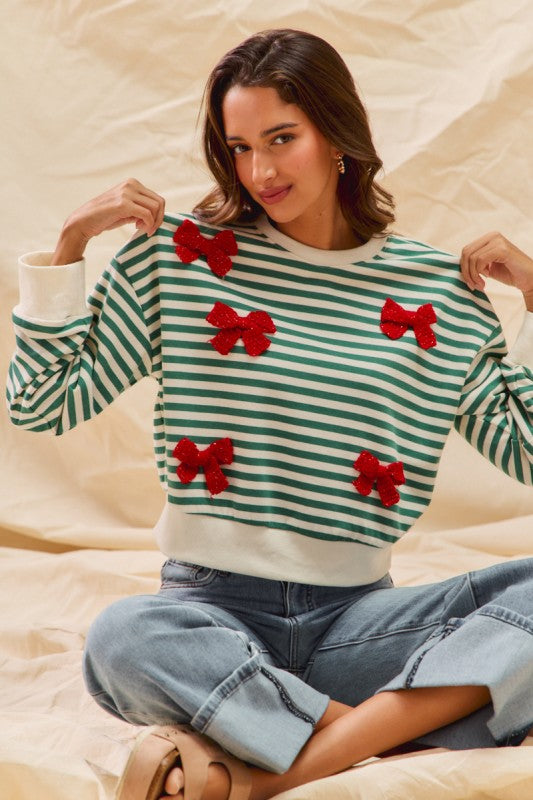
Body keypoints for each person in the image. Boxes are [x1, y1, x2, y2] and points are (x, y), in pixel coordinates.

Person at [6, 27, 533, 800]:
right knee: (122, 639)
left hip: (358, 623)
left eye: (281, 139)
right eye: (239, 147)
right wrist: (68, 247)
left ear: (338, 136)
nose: (260, 172)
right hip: (209, 613)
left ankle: (252, 768)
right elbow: (42, 403)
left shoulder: (438, 294)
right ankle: (379, 736)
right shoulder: (180, 261)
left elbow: (525, 450)